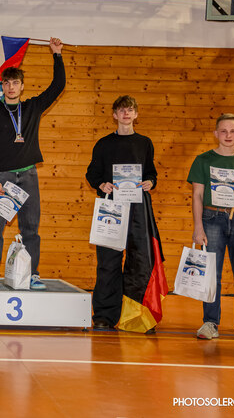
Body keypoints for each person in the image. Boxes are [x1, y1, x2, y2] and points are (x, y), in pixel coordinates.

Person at [0, 37, 64, 289]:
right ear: (2, 86)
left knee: (31, 229)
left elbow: (58, 85)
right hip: (2, 178)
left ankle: (32, 274)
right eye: (7, 83)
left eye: (15, 83)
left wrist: (57, 54)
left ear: (22, 86)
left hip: (28, 176)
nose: (11, 87)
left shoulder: (33, 107)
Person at [85, 95, 159, 331]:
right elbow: (92, 173)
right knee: (108, 262)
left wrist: (150, 182)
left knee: (139, 262)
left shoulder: (145, 143)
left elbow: (151, 172)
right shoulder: (103, 144)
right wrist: (101, 184)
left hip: (138, 210)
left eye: (130, 110)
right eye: (121, 110)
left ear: (136, 114)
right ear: (115, 115)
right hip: (112, 208)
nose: (126, 114)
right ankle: (104, 316)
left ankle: (136, 316)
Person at [188, 113, 234, 343]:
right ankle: (210, 322)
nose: (228, 135)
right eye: (224, 131)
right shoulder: (203, 160)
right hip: (211, 218)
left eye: (233, 131)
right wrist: (198, 227)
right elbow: (197, 195)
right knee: (211, 274)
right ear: (216, 133)